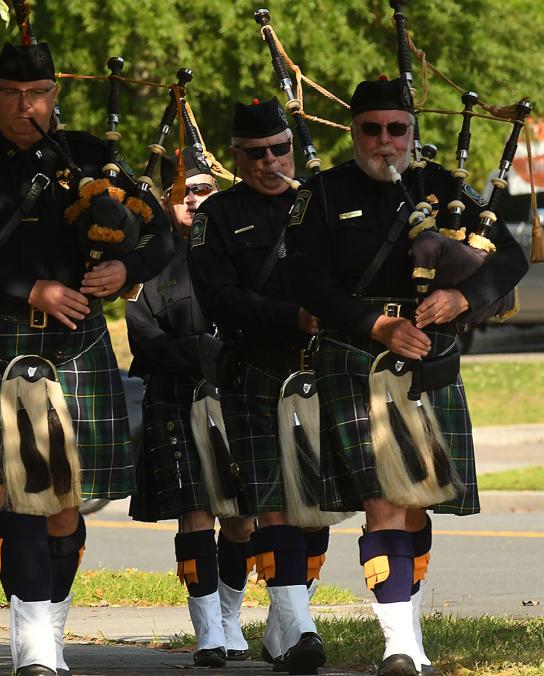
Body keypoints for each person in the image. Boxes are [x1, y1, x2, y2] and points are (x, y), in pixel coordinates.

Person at [0, 40, 173, 675]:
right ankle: (30, 646)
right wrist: (28, 287)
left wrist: (126, 268)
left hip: (72, 346)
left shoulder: (91, 158)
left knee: (63, 506)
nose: (23, 106)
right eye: (10, 94)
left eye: (35, 94)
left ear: (54, 94)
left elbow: (165, 233)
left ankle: (50, 628)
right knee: (16, 496)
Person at [285, 78, 528, 676]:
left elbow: (514, 257)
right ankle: (398, 641)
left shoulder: (443, 190)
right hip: (358, 357)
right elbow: (309, 282)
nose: (385, 141)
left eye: (397, 129)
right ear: (354, 131)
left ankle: (409, 624)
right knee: (383, 498)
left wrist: (462, 298)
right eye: (372, 129)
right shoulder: (321, 194)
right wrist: (376, 325)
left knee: (416, 502)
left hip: (431, 360)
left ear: (412, 132)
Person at [188, 97, 330, 673]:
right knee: (271, 504)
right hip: (256, 368)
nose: (270, 161)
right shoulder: (216, 216)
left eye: (280, 149)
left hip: (322, 371)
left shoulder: (317, 205)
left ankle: (282, 628)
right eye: (256, 153)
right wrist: (290, 316)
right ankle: (302, 633)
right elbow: (217, 296)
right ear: (236, 155)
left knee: (315, 511)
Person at [128, 148, 256, 668]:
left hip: (236, 393)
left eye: (204, 190)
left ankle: (230, 616)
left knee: (243, 520)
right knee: (196, 515)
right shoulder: (150, 260)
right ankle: (206, 629)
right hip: (177, 394)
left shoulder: (238, 252)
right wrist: (198, 352)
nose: (195, 200)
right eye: (185, 193)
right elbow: (142, 338)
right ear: (167, 201)